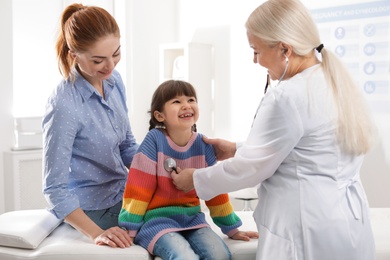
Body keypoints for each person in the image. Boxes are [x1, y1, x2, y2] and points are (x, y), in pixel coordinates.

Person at [171, 0, 377, 259]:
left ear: (284, 50)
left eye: (256, 50)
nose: (255, 60)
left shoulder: (288, 96)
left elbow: (252, 169)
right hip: (347, 222)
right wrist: (236, 149)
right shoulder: (332, 80)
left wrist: (195, 179)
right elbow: (308, 151)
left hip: (304, 229)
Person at [118, 80, 258, 259]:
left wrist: (231, 228)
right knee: (184, 257)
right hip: (157, 223)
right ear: (160, 116)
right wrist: (130, 229)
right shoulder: (153, 141)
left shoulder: (203, 145)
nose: (186, 105)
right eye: (176, 102)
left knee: (220, 255)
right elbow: (138, 189)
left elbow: (213, 188)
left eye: (191, 100)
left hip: (193, 221)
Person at [42, 3, 139, 248]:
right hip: (92, 208)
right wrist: (96, 233)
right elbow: (54, 189)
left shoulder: (114, 81)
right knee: (168, 226)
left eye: (116, 53)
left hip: (123, 194)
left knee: (180, 211)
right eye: (98, 60)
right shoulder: (64, 104)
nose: (110, 66)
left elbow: (126, 145)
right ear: (74, 54)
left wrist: (158, 167)